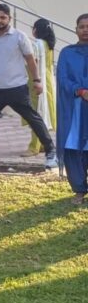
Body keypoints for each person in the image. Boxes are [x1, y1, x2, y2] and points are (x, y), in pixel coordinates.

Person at [0, 4, 58, 169]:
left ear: (9, 18)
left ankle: (51, 151)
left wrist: (37, 80)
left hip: (17, 87)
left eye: (3, 17)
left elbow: (31, 60)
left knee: (33, 118)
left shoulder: (20, 36)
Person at [56, 13, 88, 205]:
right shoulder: (67, 53)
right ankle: (79, 190)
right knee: (73, 146)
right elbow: (62, 78)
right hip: (74, 109)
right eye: (82, 26)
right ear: (76, 30)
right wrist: (80, 91)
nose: (85, 30)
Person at [22, 19, 56, 156]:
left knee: (36, 113)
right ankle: (42, 144)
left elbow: (32, 63)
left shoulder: (37, 44)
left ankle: (34, 146)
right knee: (43, 112)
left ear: (36, 29)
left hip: (37, 81)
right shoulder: (48, 44)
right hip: (47, 81)